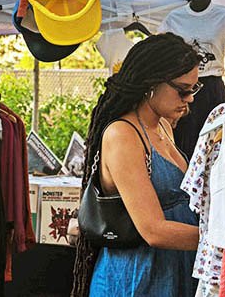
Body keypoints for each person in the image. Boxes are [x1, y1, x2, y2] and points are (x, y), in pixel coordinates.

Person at [79, 33, 203, 296]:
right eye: (183, 90)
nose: (190, 98)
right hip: (138, 275)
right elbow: (153, 230)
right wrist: (224, 241)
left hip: (174, 264)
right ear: (151, 83)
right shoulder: (123, 134)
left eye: (194, 89)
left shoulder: (164, 126)